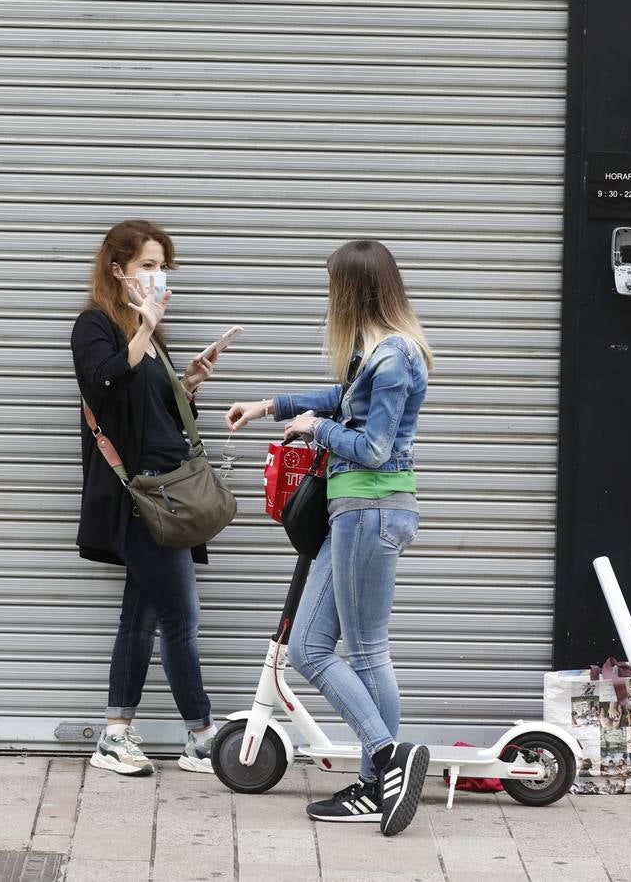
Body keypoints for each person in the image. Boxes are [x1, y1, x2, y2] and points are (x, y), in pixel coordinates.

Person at [225, 239, 434, 836]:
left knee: (367, 651)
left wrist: (316, 429)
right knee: (312, 648)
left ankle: (383, 766)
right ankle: (383, 768)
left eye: (332, 286)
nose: (328, 298)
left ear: (354, 290)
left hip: (370, 510)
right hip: (351, 514)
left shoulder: (394, 359)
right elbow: (342, 399)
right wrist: (271, 405)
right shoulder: (374, 354)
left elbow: (372, 448)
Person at [70, 219, 220, 777]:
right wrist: (144, 329)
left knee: (142, 616)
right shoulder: (96, 327)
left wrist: (188, 384)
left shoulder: (149, 335)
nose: (158, 278)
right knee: (181, 616)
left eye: (163, 268)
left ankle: (116, 733)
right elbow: (104, 385)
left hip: (166, 492)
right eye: (148, 267)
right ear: (118, 270)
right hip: (139, 495)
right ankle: (202, 736)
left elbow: (153, 417)